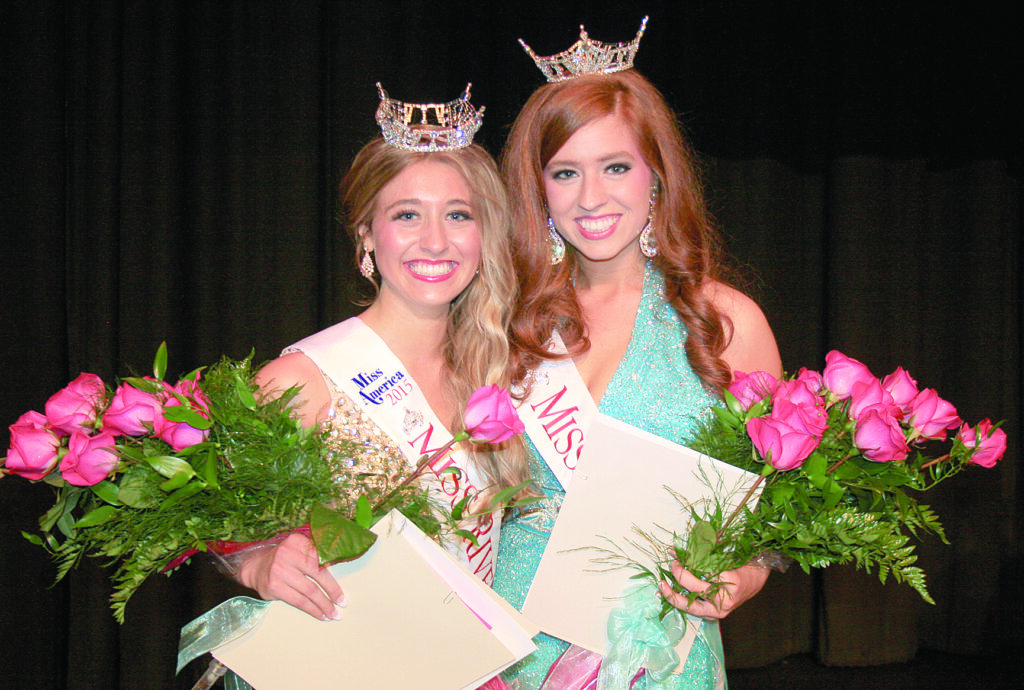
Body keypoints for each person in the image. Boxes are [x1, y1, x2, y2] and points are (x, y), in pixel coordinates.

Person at [493, 20, 783, 689]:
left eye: (615, 167)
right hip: (514, 643)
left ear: (657, 176)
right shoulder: (502, 323)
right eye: (565, 172)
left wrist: (743, 578)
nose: (591, 198)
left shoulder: (725, 324)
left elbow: (774, 515)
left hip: (654, 647)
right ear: (537, 190)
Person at [231, 84, 529, 622]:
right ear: (368, 233)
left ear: (485, 235)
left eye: (459, 215)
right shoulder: (303, 379)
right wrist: (255, 563)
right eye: (408, 216)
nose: (435, 241)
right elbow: (217, 518)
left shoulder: (493, 377)